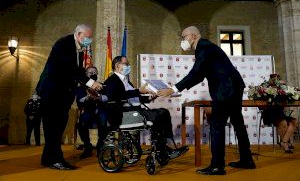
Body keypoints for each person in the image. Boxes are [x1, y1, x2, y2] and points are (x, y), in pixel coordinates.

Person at [157, 26, 255, 175]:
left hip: (225, 89)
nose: (182, 41)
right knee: (237, 122)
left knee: (217, 124)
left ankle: (217, 166)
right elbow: (200, 75)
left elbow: (196, 74)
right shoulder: (207, 47)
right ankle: (247, 160)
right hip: (235, 86)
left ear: (193, 36)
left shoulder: (203, 47)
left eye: (184, 37)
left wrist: (172, 89)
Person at [35, 24, 103, 170]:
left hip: (61, 94)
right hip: (53, 93)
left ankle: (47, 158)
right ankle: (56, 160)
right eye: (88, 37)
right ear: (79, 34)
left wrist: (89, 85)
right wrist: (91, 83)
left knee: (55, 127)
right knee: (54, 127)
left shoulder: (77, 48)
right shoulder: (65, 44)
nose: (90, 40)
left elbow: (77, 70)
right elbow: (71, 70)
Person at [103, 56, 188, 159]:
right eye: (126, 64)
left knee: (164, 112)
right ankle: (161, 151)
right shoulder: (112, 80)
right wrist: (138, 91)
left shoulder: (127, 82)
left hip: (135, 110)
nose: (129, 66)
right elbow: (115, 96)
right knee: (158, 116)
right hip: (124, 114)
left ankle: (165, 146)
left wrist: (150, 98)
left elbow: (133, 98)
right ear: (117, 65)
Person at [76, 66, 108, 159]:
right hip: (88, 112)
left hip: (101, 111)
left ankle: (100, 146)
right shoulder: (81, 87)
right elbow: (79, 101)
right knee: (82, 122)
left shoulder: (102, 85)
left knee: (103, 118)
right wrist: (88, 97)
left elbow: (107, 98)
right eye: (91, 73)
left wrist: (100, 97)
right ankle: (87, 146)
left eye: (95, 73)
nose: (93, 74)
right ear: (86, 75)